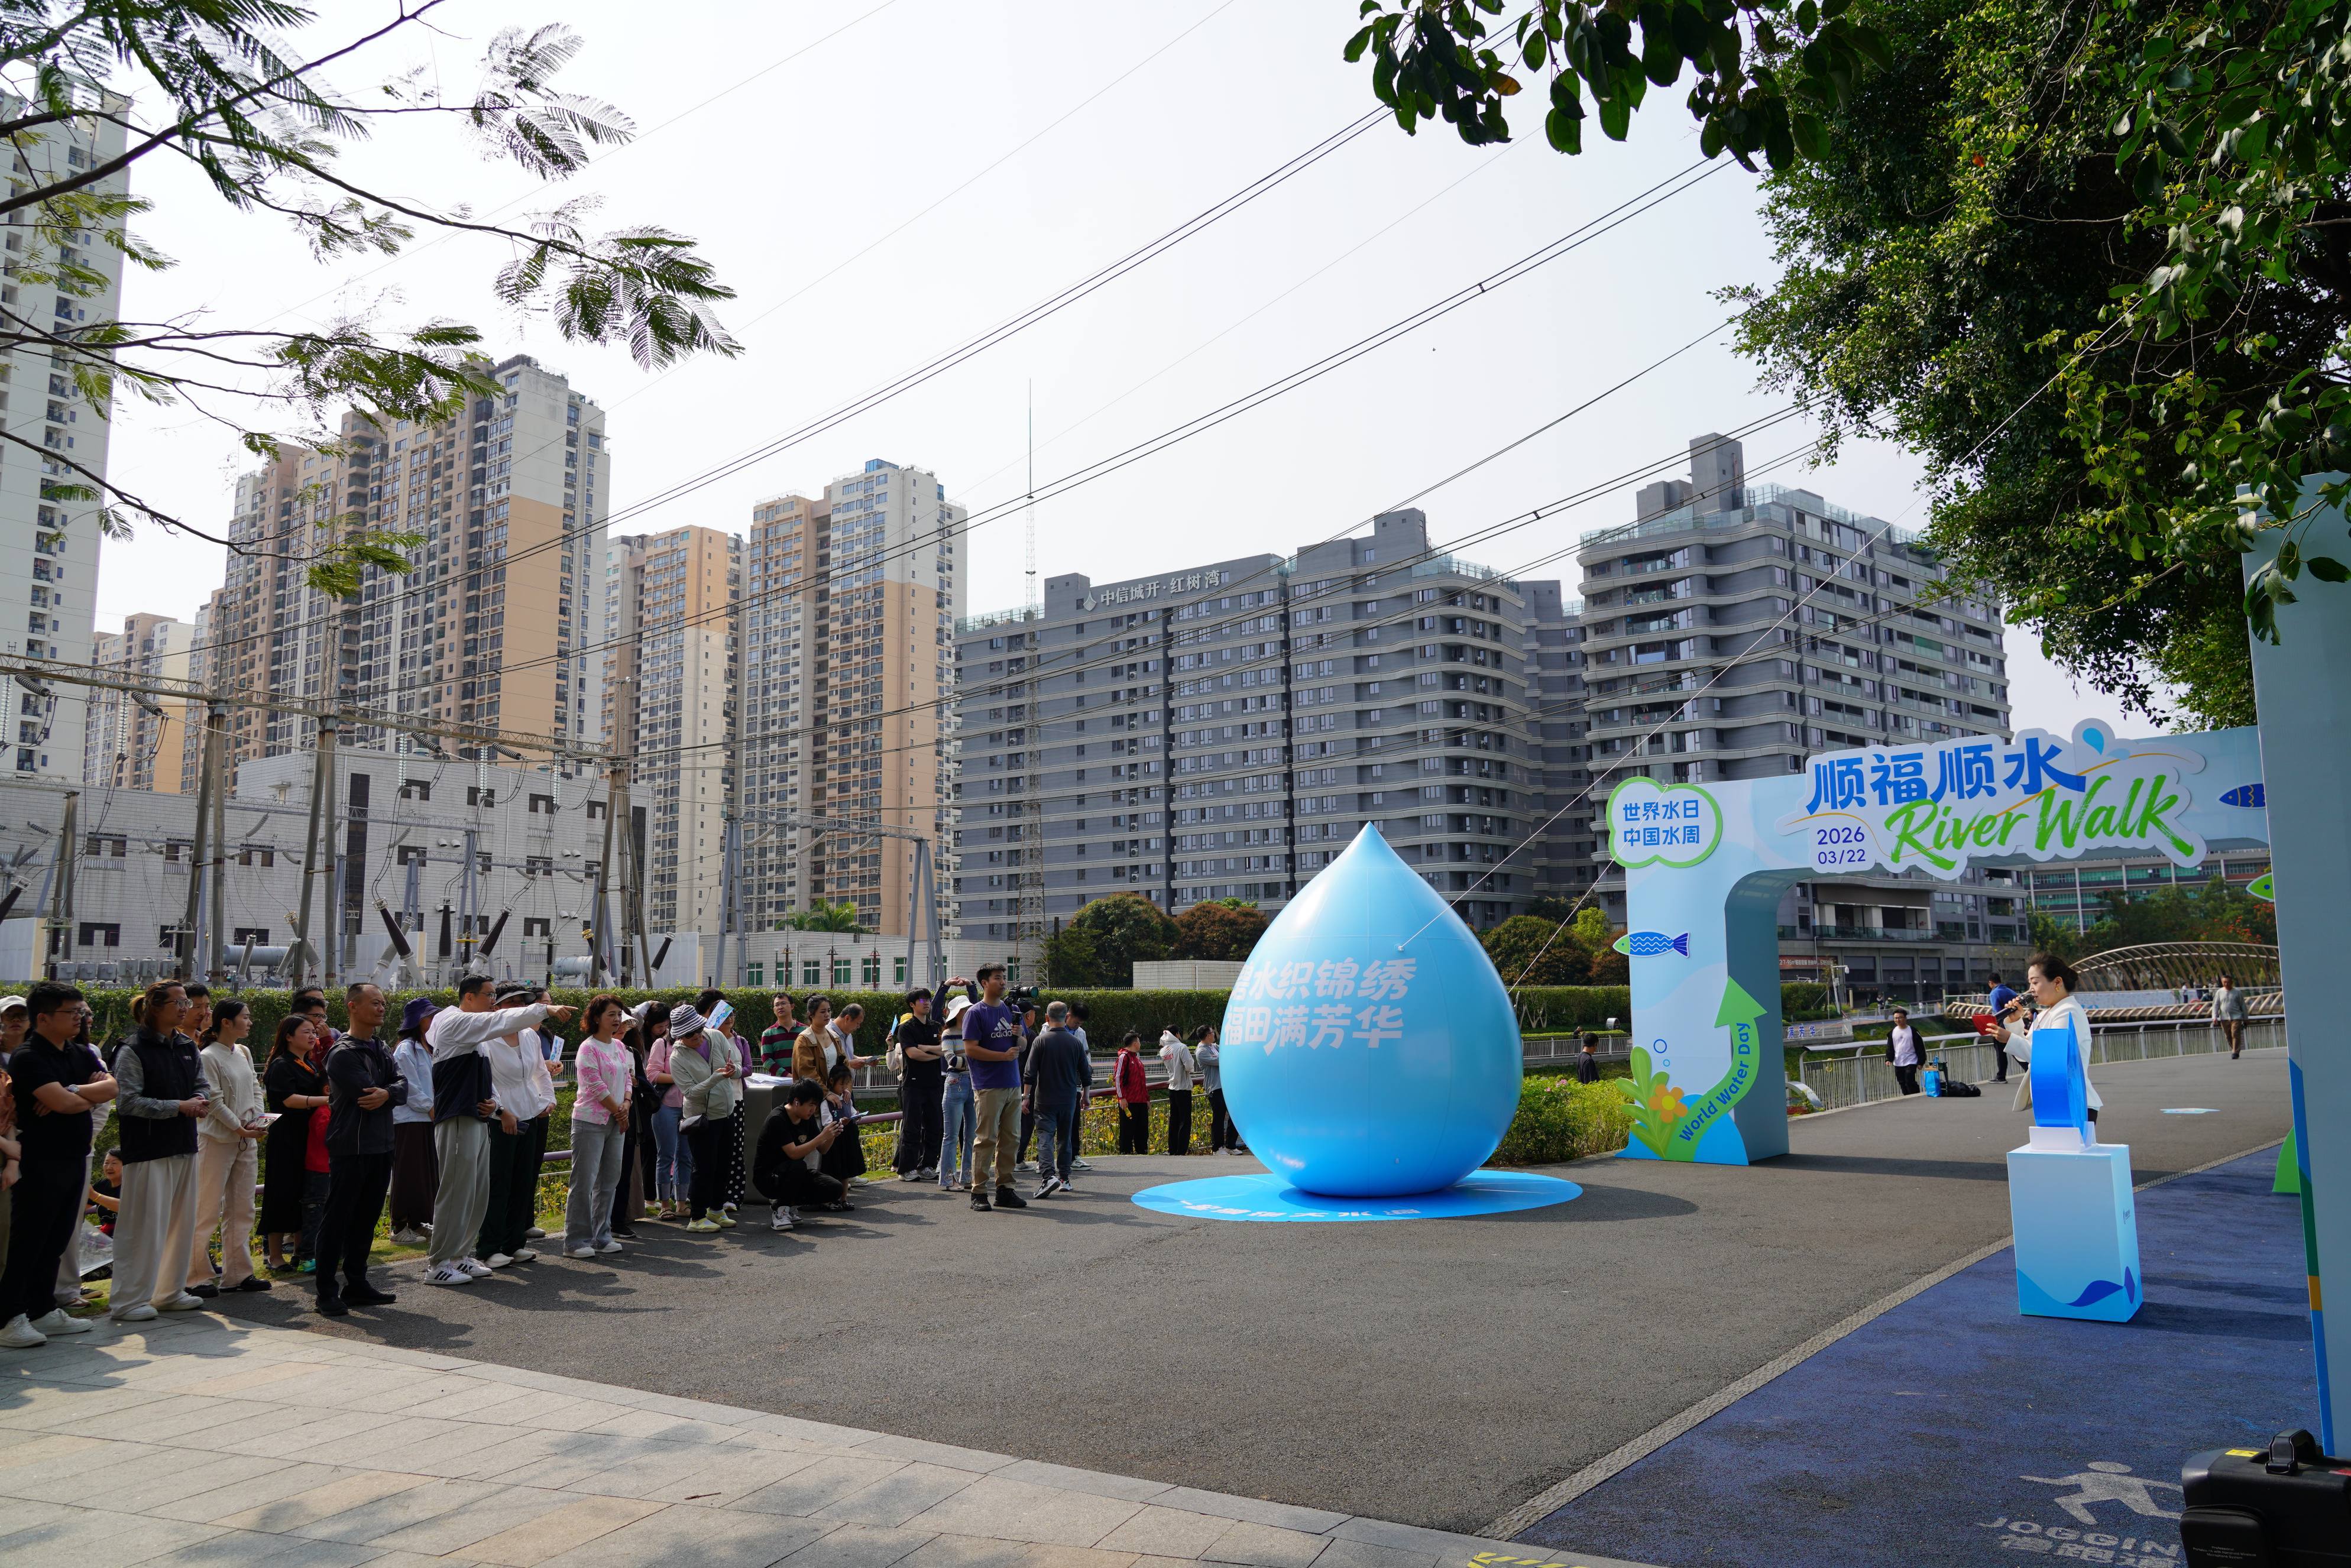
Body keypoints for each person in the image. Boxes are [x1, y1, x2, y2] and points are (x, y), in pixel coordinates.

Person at [421, 977, 569, 1288]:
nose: (493, 1001)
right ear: (469, 997)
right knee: (457, 1191)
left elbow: (486, 1077)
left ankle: (460, 1255)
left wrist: (497, 1108)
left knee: (476, 1191)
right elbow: (502, 1018)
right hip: (458, 1117)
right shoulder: (454, 1021)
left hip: (476, 1117)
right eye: (489, 995)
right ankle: (439, 1264)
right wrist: (545, 1009)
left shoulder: (471, 1029)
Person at [0, 983, 113, 1349]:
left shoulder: (79, 1052)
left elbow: (112, 1088)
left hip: (74, 1157)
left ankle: (42, 1308)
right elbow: (59, 1104)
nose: (80, 1018)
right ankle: (8, 1317)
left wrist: (74, 1092)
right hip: (41, 1159)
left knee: (56, 1240)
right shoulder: (29, 1057)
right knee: (29, 1240)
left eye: (82, 1012)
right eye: (72, 1012)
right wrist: (77, 1095)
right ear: (44, 1018)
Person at [105, 981, 213, 1323]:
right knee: (143, 1227)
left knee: (181, 1224)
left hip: (184, 1143)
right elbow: (128, 1101)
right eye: (178, 1003)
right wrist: (178, 1107)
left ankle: (169, 1291)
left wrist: (198, 1101)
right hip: (147, 1149)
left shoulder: (186, 1045)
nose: (185, 1008)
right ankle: (127, 1300)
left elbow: (201, 1084)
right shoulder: (131, 1049)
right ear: (155, 1006)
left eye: (187, 1002)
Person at [314, 982, 405, 1316]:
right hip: (351, 1146)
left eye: (383, 1003)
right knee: (338, 1218)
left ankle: (357, 1283)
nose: (381, 1008)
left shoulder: (380, 1047)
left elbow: (402, 1084)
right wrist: (389, 1093)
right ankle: (326, 1291)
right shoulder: (342, 1053)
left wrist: (388, 1094)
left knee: (366, 1218)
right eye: (374, 1003)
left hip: (381, 1144)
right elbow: (364, 1093)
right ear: (353, 1006)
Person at [187, 1000, 268, 1298]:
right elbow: (214, 1101)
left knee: (242, 1208)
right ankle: (195, 1276)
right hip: (217, 1141)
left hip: (246, 1140)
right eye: (245, 1018)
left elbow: (255, 1090)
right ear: (226, 1022)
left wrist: (258, 1122)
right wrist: (239, 1127)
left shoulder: (244, 1052)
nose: (249, 1022)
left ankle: (239, 1273)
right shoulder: (208, 1056)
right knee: (207, 1209)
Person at [477, 986, 556, 1269]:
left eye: (523, 1003)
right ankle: (489, 1246)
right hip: (502, 1119)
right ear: (497, 1007)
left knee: (524, 1180)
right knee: (499, 1182)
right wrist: (502, 1111)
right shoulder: (486, 1038)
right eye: (511, 1002)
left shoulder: (529, 1035)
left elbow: (539, 1072)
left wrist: (548, 1099)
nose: (519, 1007)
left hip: (529, 1113)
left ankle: (514, 1243)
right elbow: (487, 1081)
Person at [563, 995, 633, 1258]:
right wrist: (619, 1110)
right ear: (596, 1018)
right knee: (584, 1181)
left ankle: (601, 1236)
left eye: (619, 1014)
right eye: (611, 1015)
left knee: (609, 1181)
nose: (617, 1020)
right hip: (590, 1121)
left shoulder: (619, 1047)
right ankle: (575, 1241)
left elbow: (628, 1078)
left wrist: (626, 1104)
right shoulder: (587, 1048)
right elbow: (595, 1086)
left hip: (617, 1120)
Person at [1998, 952, 2103, 1126]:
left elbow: (2051, 1058)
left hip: (2071, 1100)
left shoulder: (2068, 1011)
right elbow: (2026, 1054)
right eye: (2030, 983)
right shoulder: (2047, 1013)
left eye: (2035, 982)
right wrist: (2015, 1023)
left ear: (2057, 982)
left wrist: (2010, 1039)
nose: (2031, 989)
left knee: (2066, 1152)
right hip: (2053, 1098)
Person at [261, 1014, 330, 1274]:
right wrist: (324, 1102)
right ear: (288, 1036)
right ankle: (275, 1255)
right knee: (281, 1195)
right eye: (306, 1032)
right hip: (286, 1138)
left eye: (314, 1032)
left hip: (306, 1138)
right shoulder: (281, 1065)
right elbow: (288, 1100)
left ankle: (303, 1252)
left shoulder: (309, 1065)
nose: (312, 1036)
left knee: (305, 1195)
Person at [666, 1003, 743, 1233]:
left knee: (724, 1164)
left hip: (727, 1111)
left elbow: (737, 1066)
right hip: (701, 1117)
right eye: (690, 1035)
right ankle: (697, 1217)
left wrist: (734, 1071)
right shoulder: (677, 1057)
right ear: (679, 1035)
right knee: (704, 1167)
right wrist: (716, 1078)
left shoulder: (716, 1036)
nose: (697, 1037)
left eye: (699, 1029)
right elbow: (690, 1092)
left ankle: (716, 1209)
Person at [961, 963, 1029, 1212]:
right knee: (986, 1139)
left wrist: (1020, 1036)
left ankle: (1005, 1189)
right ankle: (978, 1191)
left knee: (1011, 1139)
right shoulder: (975, 1013)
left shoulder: (1012, 1010)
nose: (1003, 982)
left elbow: (1022, 1044)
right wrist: (1001, 1057)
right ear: (984, 983)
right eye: (998, 978)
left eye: (1004, 978)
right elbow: (970, 1049)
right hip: (988, 1085)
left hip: (1013, 1083)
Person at [754, 1080, 849, 1230]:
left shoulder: (807, 1119)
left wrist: (832, 1134)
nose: (814, 1109)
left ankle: (791, 1206)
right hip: (769, 1178)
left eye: (816, 1105)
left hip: (793, 1174)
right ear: (797, 1102)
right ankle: (780, 1210)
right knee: (798, 1165)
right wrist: (822, 1136)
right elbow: (793, 1154)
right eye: (811, 1105)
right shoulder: (777, 1119)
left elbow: (823, 1149)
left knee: (835, 1188)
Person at [388, 999, 440, 1246]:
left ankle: (419, 1223)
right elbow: (407, 1086)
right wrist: (429, 1107)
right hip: (409, 1120)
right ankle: (399, 1226)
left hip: (428, 1118)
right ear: (421, 1021)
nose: (435, 1022)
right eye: (431, 1017)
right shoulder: (405, 1049)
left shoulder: (429, 1047)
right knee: (407, 1174)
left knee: (425, 1175)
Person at [695, 988, 750, 1212]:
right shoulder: (705, 1039)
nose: (729, 1019)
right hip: (709, 1101)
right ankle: (708, 1198)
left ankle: (733, 1196)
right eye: (724, 1015)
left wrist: (734, 1071)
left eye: (732, 1015)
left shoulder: (740, 1041)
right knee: (709, 1153)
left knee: (734, 1150)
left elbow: (748, 1068)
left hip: (735, 1099)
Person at [1028, 1003, 1089, 1198]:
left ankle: (1048, 1176)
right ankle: (1065, 1179)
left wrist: (1024, 1098)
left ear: (1046, 1018)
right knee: (1065, 1138)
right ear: (1066, 1017)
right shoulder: (1076, 1043)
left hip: (1045, 1098)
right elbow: (1086, 1074)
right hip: (1068, 1098)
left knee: (1045, 1137)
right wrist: (1085, 1096)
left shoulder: (1040, 1041)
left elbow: (1029, 1073)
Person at [892, 990, 943, 1182]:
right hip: (913, 1085)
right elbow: (913, 1054)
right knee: (912, 1128)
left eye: (928, 999)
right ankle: (906, 1169)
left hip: (934, 1084)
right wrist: (935, 1054)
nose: (927, 1003)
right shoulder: (906, 1029)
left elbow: (946, 1048)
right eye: (922, 1000)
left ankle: (928, 1165)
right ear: (912, 1004)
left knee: (934, 1126)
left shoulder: (936, 1026)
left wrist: (928, 1049)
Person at [645, 1012, 691, 1220]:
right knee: (665, 1155)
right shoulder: (661, 1045)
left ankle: (681, 1203)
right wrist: (680, 1078)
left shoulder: (693, 1044)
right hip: (666, 1106)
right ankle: (664, 1204)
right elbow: (652, 1074)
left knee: (686, 1156)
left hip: (689, 1106)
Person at [937, 995, 976, 1193]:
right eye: (965, 1009)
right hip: (956, 1082)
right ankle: (948, 1179)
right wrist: (976, 1061)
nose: (969, 1011)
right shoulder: (948, 1034)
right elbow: (951, 1060)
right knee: (951, 1135)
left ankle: (967, 1176)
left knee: (972, 1134)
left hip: (973, 1082)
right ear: (957, 1013)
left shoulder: (975, 1031)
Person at [1197, 1024, 1239, 1154]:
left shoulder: (1214, 1047)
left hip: (1226, 1087)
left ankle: (1231, 1145)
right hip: (1215, 1088)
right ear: (1207, 1035)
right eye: (1212, 1032)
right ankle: (1218, 1147)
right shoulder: (1201, 1051)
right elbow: (1223, 1060)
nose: (1214, 1034)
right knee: (1219, 1118)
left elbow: (1229, 1053)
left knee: (1235, 1115)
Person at [1159, 1026, 1198, 1155]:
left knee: (1174, 1120)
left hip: (1172, 1088)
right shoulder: (1182, 1047)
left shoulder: (1164, 1050)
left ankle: (1173, 1149)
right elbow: (1189, 1066)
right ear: (1177, 1034)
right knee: (1185, 1120)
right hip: (1183, 1088)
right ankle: (1181, 1150)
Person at [1114, 1032, 1150, 1154]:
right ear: (1135, 1043)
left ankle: (1142, 1152)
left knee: (1142, 1130)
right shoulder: (1124, 1057)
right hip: (1129, 1102)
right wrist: (1122, 1098)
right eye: (1139, 1041)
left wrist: (1147, 1099)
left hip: (1141, 1101)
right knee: (1127, 1130)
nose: (1140, 1044)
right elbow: (1118, 1078)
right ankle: (1126, 1154)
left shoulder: (1136, 1058)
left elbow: (1142, 1081)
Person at [1984, 974, 2018, 1083]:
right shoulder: (2011, 992)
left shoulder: (1994, 993)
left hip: (2001, 1025)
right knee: (2018, 1049)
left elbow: (1998, 1013)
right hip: (2015, 1023)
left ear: (1991, 982)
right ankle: (2030, 1069)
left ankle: (2001, 1077)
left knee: (2001, 1052)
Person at [758, 994, 799, 1077]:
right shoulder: (768, 1034)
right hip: (779, 1083)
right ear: (774, 1010)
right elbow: (767, 1061)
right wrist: (788, 1076)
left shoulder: (805, 1031)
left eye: (783, 1003)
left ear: (792, 1006)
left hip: (803, 1081)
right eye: (777, 1005)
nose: (780, 1007)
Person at [1886, 1008, 1923, 1096]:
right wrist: (1889, 1059)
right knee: (1902, 1082)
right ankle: (1907, 1097)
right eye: (1896, 1018)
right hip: (1898, 1061)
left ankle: (1915, 1096)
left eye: (1900, 1018)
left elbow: (1920, 1047)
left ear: (1905, 1018)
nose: (1898, 1020)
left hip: (1911, 1060)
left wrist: (1921, 1062)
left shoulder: (1913, 1031)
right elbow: (1890, 1047)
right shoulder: (1892, 1032)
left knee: (1909, 1080)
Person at [2212, 973, 2248, 1059]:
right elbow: (2216, 1005)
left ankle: (2235, 1052)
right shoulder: (2219, 992)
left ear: (2232, 982)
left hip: (2237, 1017)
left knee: (2235, 1034)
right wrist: (2214, 1017)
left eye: (2228, 982)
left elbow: (2243, 1006)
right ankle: (2235, 1049)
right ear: (2222, 982)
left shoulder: (2237, 992)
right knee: (2228, 1036)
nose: (2226, 984)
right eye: (2224, 982)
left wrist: (2246, 1018)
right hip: (2224, 1018)